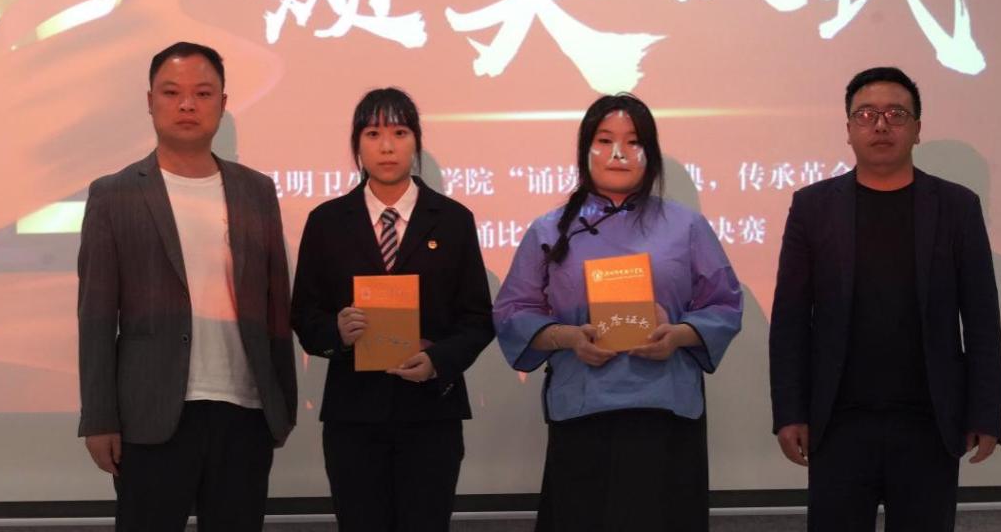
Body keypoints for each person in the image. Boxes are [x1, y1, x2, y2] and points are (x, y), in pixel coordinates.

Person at [769, 66, 1001, 531]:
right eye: (866, 114)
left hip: (930, 422)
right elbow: (791, 319)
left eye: (896, 114)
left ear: (917, 129)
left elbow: (981, 319)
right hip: (838, 422)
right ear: (848, 129)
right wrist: (789, 413)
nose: (881, 125)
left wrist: (985, 413)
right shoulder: (813, 207)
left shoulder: (957, 207)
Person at [493, 93, 743, 532]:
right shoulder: (549, 229)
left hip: (665, 410)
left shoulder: (686, 225)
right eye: (605, 140)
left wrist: (679, 333)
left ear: (650, 152)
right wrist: (568, 337)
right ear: (585, 150)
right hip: (582, 408)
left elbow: (725, 303)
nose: (618, 153)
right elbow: (514, 310)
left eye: (633, 142)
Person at [77, 41, 296, 532]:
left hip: (244, 410)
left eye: (203, 93)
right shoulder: (114, 195)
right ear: (149, 101)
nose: (187, 104)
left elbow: (275, 305)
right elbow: (95, 316)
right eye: (171, 92)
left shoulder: (256, 191)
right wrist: (98, 416)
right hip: (149, 414)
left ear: (223, 102)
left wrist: (280, 404)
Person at [290, 87, 495, 532]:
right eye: (373, 134)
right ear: (357, 144)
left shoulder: (453, 219)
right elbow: (304, 315)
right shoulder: (327, 221)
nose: (387, 146)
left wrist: (438, 359)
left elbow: (478, 320)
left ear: (416, 142)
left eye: (399, 133)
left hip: (431, 414)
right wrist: (337, 332)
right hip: (354, 415)